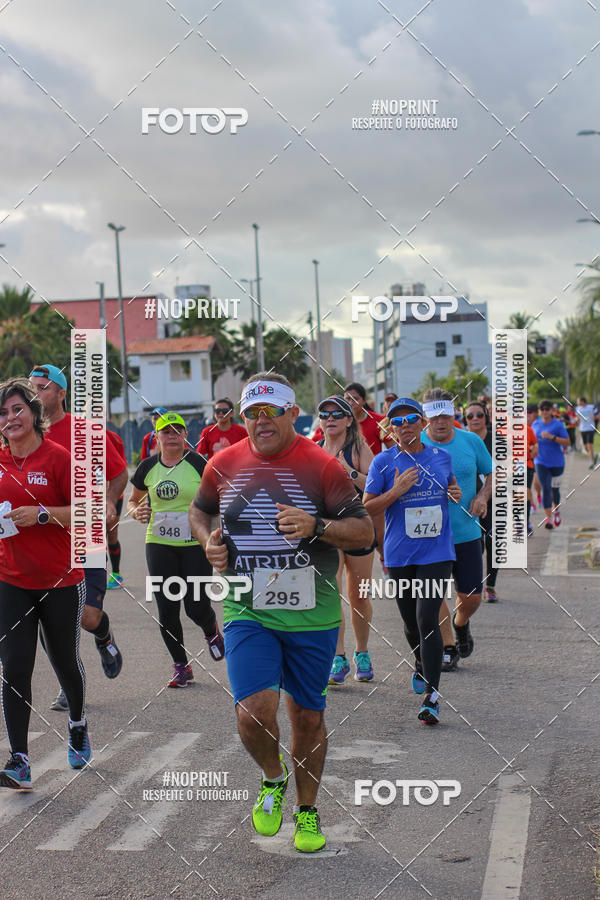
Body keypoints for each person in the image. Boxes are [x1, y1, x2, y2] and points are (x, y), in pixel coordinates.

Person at [189, 373, 373, 853]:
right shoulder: (223, 463)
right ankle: (273, 779)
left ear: (294, 413)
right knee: (253, 713)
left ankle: (307, 811)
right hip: (247, 606)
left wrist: (317, 525)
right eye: (252, 411)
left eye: (271, 411)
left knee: (307, 719)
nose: (260, 420)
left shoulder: (321, 466)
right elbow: (200, 510)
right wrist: (207, 539)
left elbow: (363, 533)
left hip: (312, 612)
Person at [0, 380, 91, 789]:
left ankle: (77, 721)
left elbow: (86, 513)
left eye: (17, 410)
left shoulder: (59, 459)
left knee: (64, 661)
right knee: (15, 667)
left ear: (34, 414)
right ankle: (19, 758)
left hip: (60, 580)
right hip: (10, 580)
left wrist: (39, 515)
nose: (10, 419)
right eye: (2, 414)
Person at [29, 364, 127, 711]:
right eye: (31, 388)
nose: (35, 394)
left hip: (85, 536)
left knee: (86, 616)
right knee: (48, 616)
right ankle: (65, 682)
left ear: (60, 392)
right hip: (40, 542)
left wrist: (112, 501)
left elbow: (118, 473)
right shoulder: (23, 433)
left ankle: (104, 635)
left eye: (42, 387)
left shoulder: (86, 432)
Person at [364, 398, 461, 724]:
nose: (404, 425)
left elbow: (450, 487)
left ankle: (431, 696)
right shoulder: (382, 462)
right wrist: (397, 490)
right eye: (397, 422)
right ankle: (421, 662)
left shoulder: (441, 456)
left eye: (410, 419)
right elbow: (368, 507)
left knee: (426, 618)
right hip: (400, 553)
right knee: (409, 623)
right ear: (391, 430)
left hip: (437, 552)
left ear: (422, 423)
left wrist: (454, 492)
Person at [128, 412, 224, 687]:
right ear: (156, 437)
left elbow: (218, 496)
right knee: (167, 610)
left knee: (196, 607)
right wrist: (136, 512)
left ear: (185, 436)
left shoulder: (197, 463)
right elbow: (132, 501)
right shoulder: (147, 467)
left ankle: (211, 629)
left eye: (176, 431)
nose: (171, 436)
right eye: (165, 432)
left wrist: (214, 529)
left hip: (195, 543)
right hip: (159, 544)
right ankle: (181, 667)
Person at [421, 389, 492, 671]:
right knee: (434, 593)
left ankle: (460, 622)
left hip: (466, 531)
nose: (441, 422)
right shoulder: (415, 443)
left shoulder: (471, 440)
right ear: (426, 417)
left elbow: (491, 473)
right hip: (429, 535)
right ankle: (448, 646)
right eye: (435, 416)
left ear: (454, 414)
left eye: (446, 415)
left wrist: (483, 496)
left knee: (472, 597)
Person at [316, 396, 376, 684]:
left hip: (359, 530)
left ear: (349, 419)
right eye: (325, 414)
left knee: (359, 596)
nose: (330, 419)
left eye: (337, 414)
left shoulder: (358, 448)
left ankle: (361, 652)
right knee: (330, 594)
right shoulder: (314, 451)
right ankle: (338, 657)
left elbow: (377, 485)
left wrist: (348, 471)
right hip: (329, 530)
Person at [464, 401, 498, 602]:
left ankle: (490, 586)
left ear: (486, 417)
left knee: (493, 541)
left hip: (495, 499)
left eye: (479, 415)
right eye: (470, 416)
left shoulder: (497, 441)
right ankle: (474, 584)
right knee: (476, 544)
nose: (475, 419)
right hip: (469, 501)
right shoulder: (461, 440)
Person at [532, 400, 570, 529]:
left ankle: (556, 511)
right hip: (540, 461)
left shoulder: (558, 425)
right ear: (539, 411)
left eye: (547, 409)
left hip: (557, 463)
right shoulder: (535, 424)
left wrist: (552, 437)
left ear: (551, 411)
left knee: (554, 490)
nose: (544, 411)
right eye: (542, 409)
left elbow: (567, 442)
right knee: (546, 488)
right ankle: (548, 519)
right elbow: (531, 441)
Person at [106, 428, 127, 589]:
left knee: (112, 536)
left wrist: (110, 494)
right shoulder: (78, 434)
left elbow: (120, 468)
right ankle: (96, 578)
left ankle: (116, 573)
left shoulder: (113, 438)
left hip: (113, 496)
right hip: (87, 496)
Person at [575, 396, 598, 469]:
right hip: (582, 429)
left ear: (582, 401)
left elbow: (598, 413)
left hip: (590, 428)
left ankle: (591, 463)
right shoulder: (577, 408)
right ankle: (594, 456)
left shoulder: (591, 407)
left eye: (578, 401)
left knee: (589, 445)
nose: (577, 402)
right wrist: (576, 419)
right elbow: (577, 417)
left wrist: (595, 417)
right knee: (585, 447)